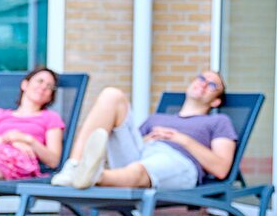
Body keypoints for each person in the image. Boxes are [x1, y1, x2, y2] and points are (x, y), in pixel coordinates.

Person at [51, 70, 236, 190]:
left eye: (212, 85)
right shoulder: (157, 119)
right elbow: (131, 147)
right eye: (201, 78)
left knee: (139, 170)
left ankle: (93, 176)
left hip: (179, 161)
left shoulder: (218, 121)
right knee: (111, 95)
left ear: (216, 101)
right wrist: (148, 139)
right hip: (144, 152)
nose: (203, 84)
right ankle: (74, 166)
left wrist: (182, 139)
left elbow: (221, 168)